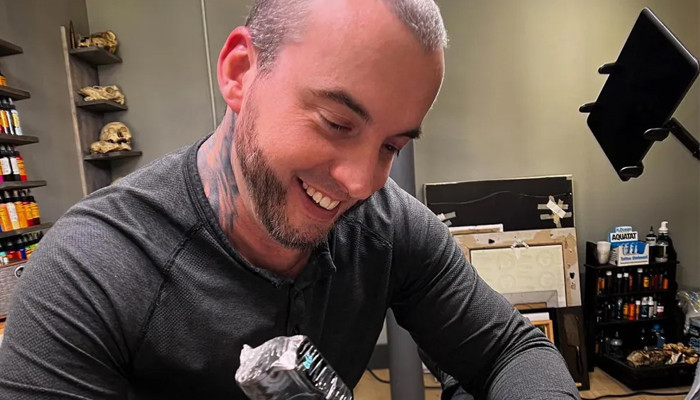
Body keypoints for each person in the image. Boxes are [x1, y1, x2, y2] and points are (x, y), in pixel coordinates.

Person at [0, 0, 579, 398]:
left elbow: (510, 350)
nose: (361, 183)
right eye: (337, 123)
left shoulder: (386, 226)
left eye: (391, 146)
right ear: (240, 71)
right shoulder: (91, 271)